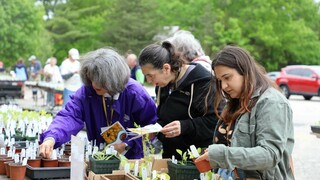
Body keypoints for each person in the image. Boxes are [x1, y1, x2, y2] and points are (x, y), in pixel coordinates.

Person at [195, 46, 294, 179]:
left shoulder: (272, 102)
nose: (224, 86)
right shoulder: (237, 101)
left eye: (227, 77)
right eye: (220, 81)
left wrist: (222, 155)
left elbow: (270, 155)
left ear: (245, 71)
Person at [39, 48, 158, 159]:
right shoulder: (87, 92)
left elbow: (152, 127)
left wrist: (127, 144)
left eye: (100, 80)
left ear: (114, 78)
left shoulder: (135, 93)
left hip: (131, 159)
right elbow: (69, 116)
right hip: (99, 156)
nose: (95, 84)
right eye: (92, 78)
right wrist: (51, 137)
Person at [138, 41, 220, 159]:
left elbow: (216, 121)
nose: (149, 81)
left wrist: (184, 126)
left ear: (166, 68)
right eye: (146, 76)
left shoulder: (203, 82)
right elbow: (164, 117)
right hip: (170, 156)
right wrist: (155, 129)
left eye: (150, 75)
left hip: (197, 158)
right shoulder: (162, 85)